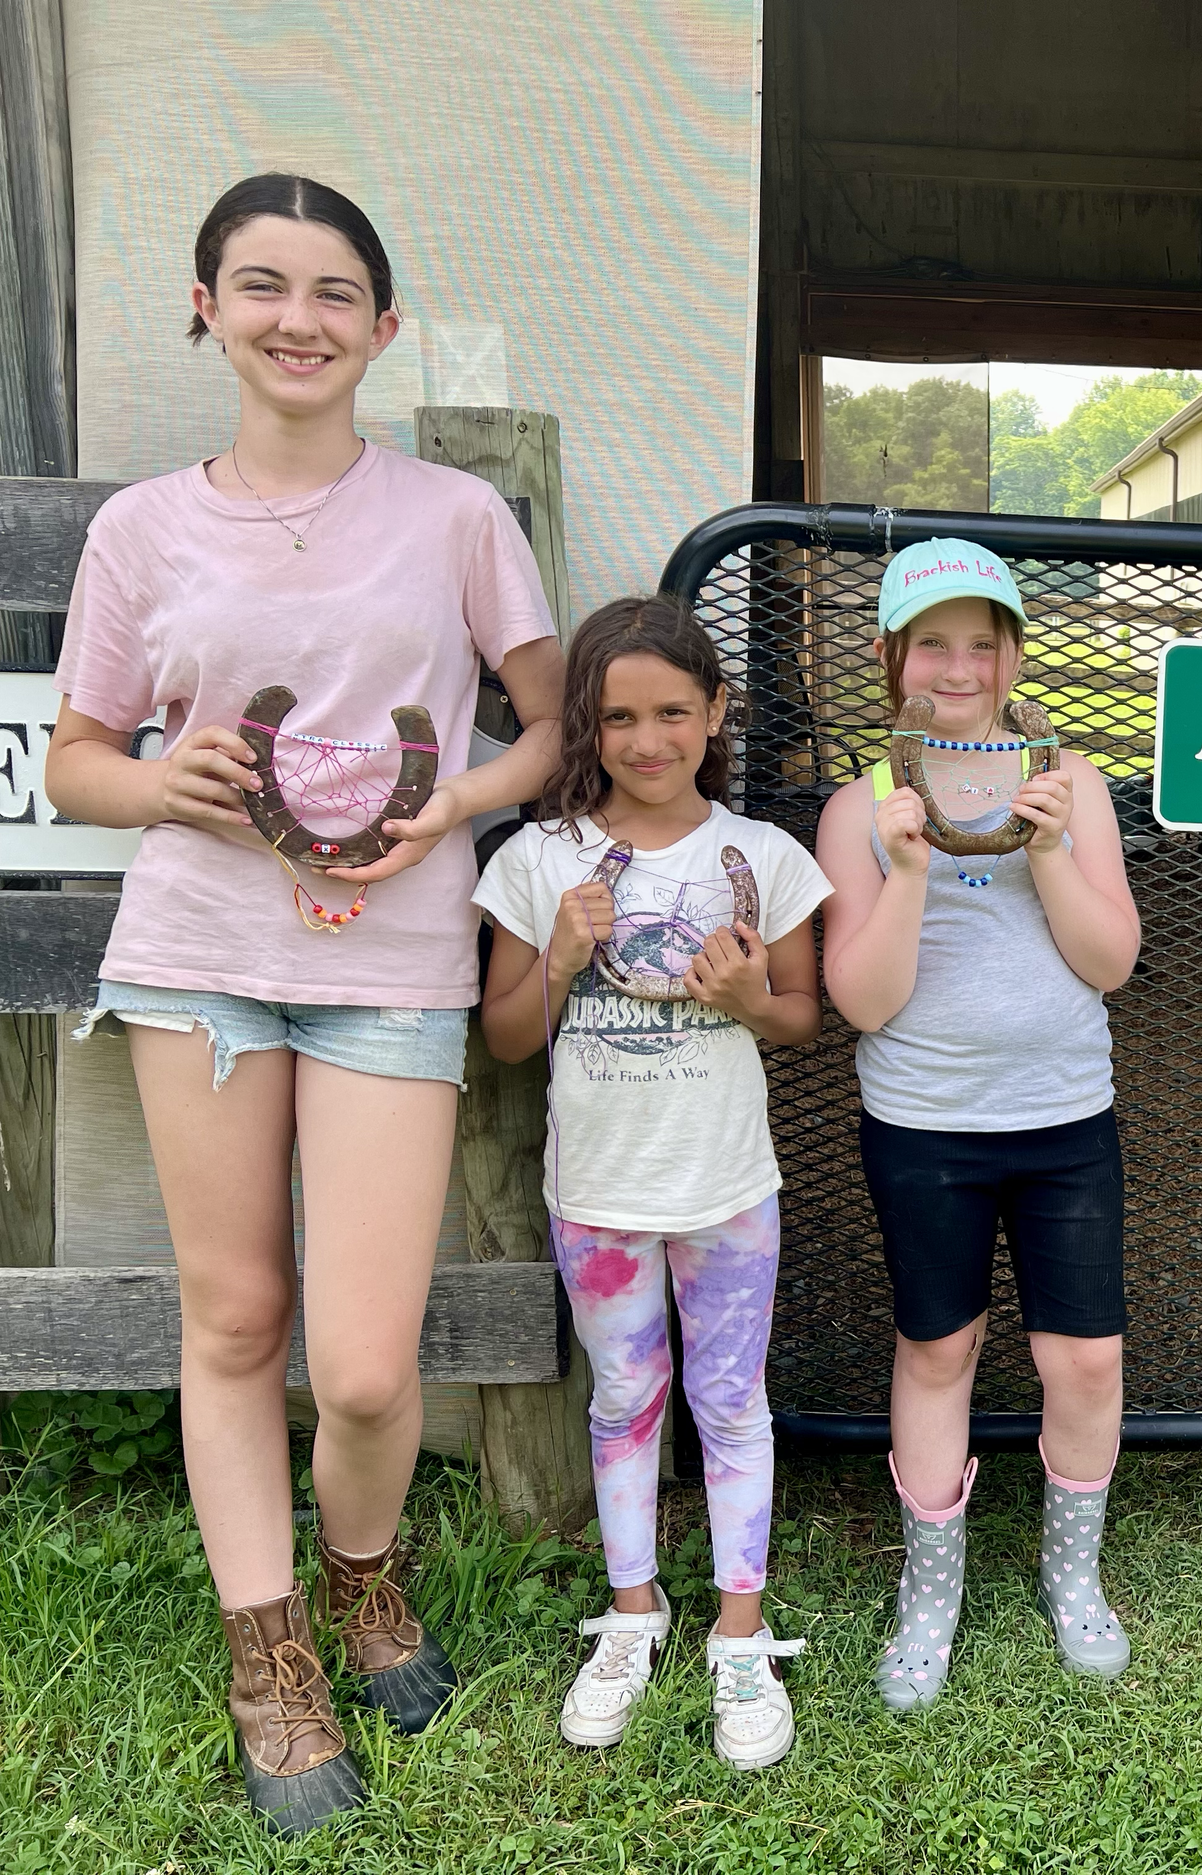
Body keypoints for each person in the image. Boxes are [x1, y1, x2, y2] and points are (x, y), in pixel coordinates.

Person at [44, 173, 563, 1834]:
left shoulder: (458, 518)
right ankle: (271, 1653)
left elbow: (545, 729)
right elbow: (75, 758)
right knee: (234, 1322)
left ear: (381, 327)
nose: (298, 317)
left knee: (356, 1365)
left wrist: (459, 806)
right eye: (260, 284)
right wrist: (158, 782)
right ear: (207, 307)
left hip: (389, 963)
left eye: (335, 291)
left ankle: (364, 1573)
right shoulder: (142, 531)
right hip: (198, 958)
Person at [476, 595, 829, 1770]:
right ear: (589, 721)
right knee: (622, 1398)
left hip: (727, 1185)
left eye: (673, 711)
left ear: (715, 712)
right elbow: (508, 1038)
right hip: (601, 1194)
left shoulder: (767, 860)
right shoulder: (542, 859)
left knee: (730, 1403)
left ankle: (739, 1627)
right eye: (619, 716)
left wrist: (744, 1001)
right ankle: (633, 1613)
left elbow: (801, 1018)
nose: (646, 740)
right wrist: (566, 960)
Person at [815, 537, 1140, 1712]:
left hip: (1063, 1114)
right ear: (893, 656)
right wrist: (903, 871)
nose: (958, 666)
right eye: (932, 642)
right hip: (924, 1120)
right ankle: (930, 1592)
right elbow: (860, 999)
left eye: (980, 640)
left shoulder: (1073, 780)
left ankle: (1073, 1575)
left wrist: (1049, 847)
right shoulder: (860, 802)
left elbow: (1110, 961)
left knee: (1084, 1357)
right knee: (938, 1348)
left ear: (1012, 652)